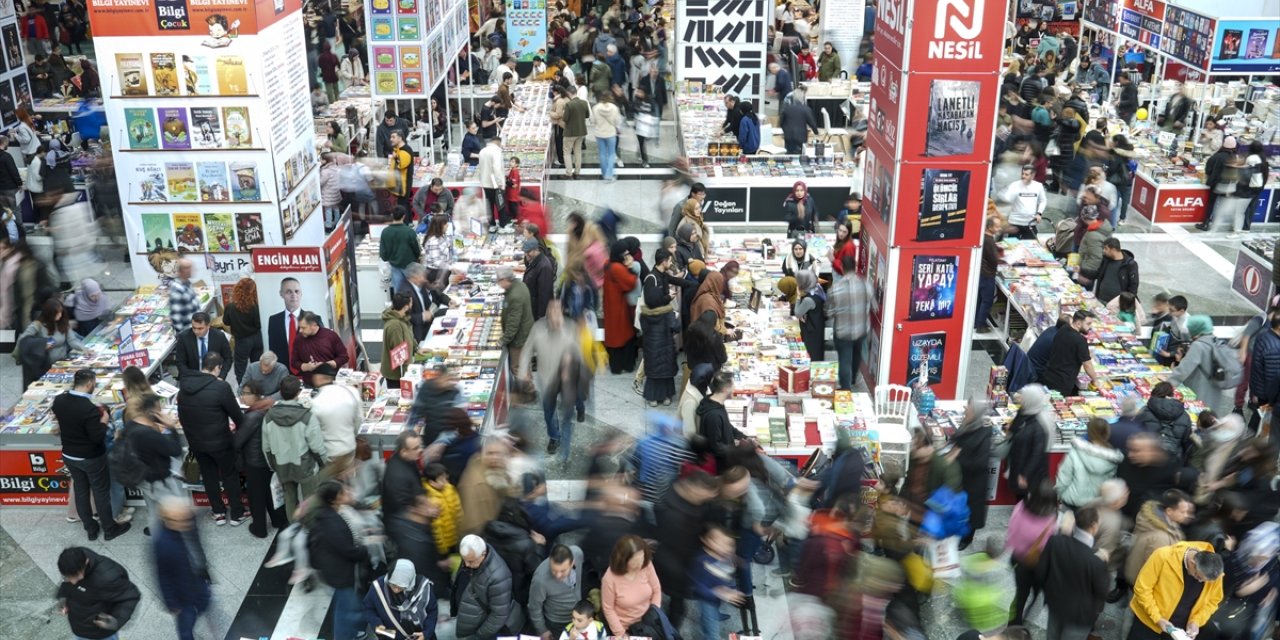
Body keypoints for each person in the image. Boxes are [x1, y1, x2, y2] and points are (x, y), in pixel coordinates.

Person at [53, 369, 130, 541]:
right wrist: (103, 421)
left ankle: (90, 528)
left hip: (69, 455)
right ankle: (110, 529)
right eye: (94, 384)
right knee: (101, 492)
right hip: (91, 457)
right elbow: (96, 437)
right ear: (89, 384)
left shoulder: (59, 400)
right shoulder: (89, 409)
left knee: (81, 490)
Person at [176, 353, 246, 526]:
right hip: (221, 442)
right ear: (218, 368)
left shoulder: (184, 388)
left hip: (197, 443)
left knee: (208, 476)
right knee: (230, 475)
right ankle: (237, 513)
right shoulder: (220, 388)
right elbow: (237, 416)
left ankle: (218, 512)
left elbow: (182, 416)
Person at [1036, 506, 1110, 640]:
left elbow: (1041, 573)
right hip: (1079, 617)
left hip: (1055, 606)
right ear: (1093, 526)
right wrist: (1103, 563)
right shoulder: (1095, 562)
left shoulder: (1054, 542)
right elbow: (1102, 591)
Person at [310, 481, 371, 640]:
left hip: (332, 570)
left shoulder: (325, 515)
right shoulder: (334, 523)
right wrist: (365, 550)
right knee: (346, 610)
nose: (347, 494)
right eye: (342, 493)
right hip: (339, 574)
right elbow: (348, 550)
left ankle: (354, 632)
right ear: (333, 500)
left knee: (347, 605)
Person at [262, 375, 328, 521]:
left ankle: (293, 527)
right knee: (310, 498)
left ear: (280, 391)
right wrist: (323, 462)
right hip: (304, 464)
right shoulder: (307, 416)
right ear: (298, 392)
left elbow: (266, 447)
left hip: (281, 463)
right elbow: (317, 446)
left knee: (289, 497)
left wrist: (273, 466)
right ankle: (310, 529)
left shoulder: (269, 417)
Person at [1129, 542, 1225, 640]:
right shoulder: (1163, 556)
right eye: (1198, 576)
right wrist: (1157, 618)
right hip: (1148, 622)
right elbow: (1142, 589)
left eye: (1205, 581)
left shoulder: (1214, 574)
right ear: (1192, 563)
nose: (1200, 581)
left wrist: (1196, 621)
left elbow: (1213, 601)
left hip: (1178, 631)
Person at [152, 498, 211, 640]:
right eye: (182, 520)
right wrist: (172, 603)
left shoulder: (188, 523)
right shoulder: (163, 544)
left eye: (187, 518)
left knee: (205, 601)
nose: (187, 523)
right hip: (183, 594)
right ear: (167, 521)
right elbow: (163, 576)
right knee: (186, 626)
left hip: (199, 578)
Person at [235, 382, 286, 538]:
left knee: (256, 496)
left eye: (245, 393)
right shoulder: (268, 407)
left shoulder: (253, 416)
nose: (242, 396)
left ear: (256, 395)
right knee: (271, 492)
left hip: (255, 461)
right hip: (270, 459)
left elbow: (237, 441)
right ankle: (279, 520)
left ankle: (259, 528)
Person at [56, 546, 141, 640]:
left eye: (76, 576)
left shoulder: (109, 578)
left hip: (100, 633)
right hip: (79, 628)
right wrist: (63, 598)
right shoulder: (72, 563)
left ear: (86, 562)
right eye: (68, 577)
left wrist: (115, 621)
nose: (73, 582)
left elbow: (130, 597)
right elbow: (65, 584)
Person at [1005, 479, 1059, 625]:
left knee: (1020, 594)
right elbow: (1048, 548)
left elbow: (1011, 532)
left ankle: (1014, 622)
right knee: (1038, 593)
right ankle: (1032, 610)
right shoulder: (1050, 522)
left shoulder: (1020, 507)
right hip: (1038, 565)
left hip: (1018, 559)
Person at [639, 248, 684, 406]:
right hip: (663, 336)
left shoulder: (657, 276)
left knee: (654, 365)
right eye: (670, 260)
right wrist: (668, 298)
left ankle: (653, 397)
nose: (671, 263)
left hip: (653, 336)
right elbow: (675, 326)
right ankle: (665, 395)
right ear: (664, 261)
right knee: (665, 365)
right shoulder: (653, 280)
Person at [456, 533, 524, 637]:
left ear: (483, 554)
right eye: (464, 559)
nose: (466, 565)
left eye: (470, 561)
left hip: (483, 630)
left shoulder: (498, 576)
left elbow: (498, 615)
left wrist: (478, 636)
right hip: (471, 621)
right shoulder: (473, 557)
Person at [1126, 489, 1194, 590]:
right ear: (1169, 511)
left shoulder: (1165, 522)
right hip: (1143, 585)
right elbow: (1156, 570)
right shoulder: (1160, 539)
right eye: (1182, 512)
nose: (1186, 515)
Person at [601, 534, 663, 637]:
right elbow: (608, 609)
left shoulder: (646, 565)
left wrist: (654, 614)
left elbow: (656, 589)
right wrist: (621, 633)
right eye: (635, 561)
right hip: (626, 627)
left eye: (642, 558)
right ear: (623, 560)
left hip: (649, 622)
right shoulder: (610, 578)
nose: (640, 564)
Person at [951, 398, 994, 549]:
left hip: (975, 482)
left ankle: (967, 539)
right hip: (962, 477)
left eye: (968, 408)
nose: (965, 410)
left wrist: (958, 457)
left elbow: (981, 462)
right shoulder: (968, 424)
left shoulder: (984, 433)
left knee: (972, 512)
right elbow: (956, 439)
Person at [691, 523, 745, 640]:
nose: (726, 548)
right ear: (707, 541)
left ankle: (716, 615)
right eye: (721, 543)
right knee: (712, 632)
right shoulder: (701, 561)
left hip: (718, 596)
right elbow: (696, 586)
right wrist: (716, 592)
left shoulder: (727, 556)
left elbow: (728, 575)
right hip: (706, 599)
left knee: (715, 608)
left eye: (730, 545)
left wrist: (733, 589)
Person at [1056, 417, 1123, 510]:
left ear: (1089, 432)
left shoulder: (1075, 452)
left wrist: (1058, 495)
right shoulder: (1113, 458)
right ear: (1107, 433)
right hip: (1096, 506)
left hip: (1072, 501)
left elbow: (1063, 480)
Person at [1168, 315, 1230, 415]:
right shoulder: (1217, 342)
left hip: (1199, 391)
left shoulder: (1198, 346)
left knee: (1196, 418)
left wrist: (1168, 384)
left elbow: (1183, 370)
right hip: (1214, 392)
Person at [363, 559, 438, 640]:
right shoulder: (378, 588)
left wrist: (426, 633)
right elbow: (368, 608)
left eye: (401, 587)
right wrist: (377, 624)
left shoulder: (424, 588)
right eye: (393, 585)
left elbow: (432, 612)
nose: (396, 590)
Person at [18, 297, 84, 387]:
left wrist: (84, 349)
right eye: (57, 314)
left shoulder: (63, 323)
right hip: (45, 366)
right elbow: (23, 340)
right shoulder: (38, 325)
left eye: (61, 312)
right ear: (49, 314)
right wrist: (42, 344)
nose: (60, 316)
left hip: (62, 363)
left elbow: (72, 340)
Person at [310, 362, 361, 470]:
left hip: (330, 454)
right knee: (349, 480)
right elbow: (359, 420)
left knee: (333, 485)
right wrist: (352, 436)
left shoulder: (315, 404)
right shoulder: (351, 391)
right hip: (350, 447)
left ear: (318, 378)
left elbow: (314, 435)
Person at [1038, 310, 1102, 396]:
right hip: (1062, 383)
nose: (1090, 327)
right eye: (1088, 324)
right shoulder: (1080, 341)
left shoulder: (1063, 329)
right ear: (1078, 323)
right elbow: (1087, 365)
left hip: (1049, 375)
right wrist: (1095, 379)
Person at [529, 544, 586, 640]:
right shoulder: (540, 580)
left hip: (578, 614)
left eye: (563, 571)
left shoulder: (577, 553)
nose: (558, 575)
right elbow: (534, 607)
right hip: (557, 622)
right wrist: (542, 630)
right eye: (554, 570)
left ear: (572, 563)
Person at [602, 241, 640, 373]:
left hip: (611, 306)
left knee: (613, 338)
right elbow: (630, 282)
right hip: (619, 308)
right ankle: (626, 365)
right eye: (624, 253)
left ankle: (616, 367)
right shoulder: (617, 267)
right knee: (624, 337)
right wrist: (632, 269)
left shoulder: (608, 264)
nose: (627, 255)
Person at [697, 371, 748, 466]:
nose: (734, 389)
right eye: (732, 386)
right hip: (722, 464)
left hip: (727, 455)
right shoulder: (714, 415)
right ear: (725, 389)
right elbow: (716, 447)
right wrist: (737, 450)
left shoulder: (715, 403)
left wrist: (743, 437)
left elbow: (726, 425)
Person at [218, 278, 262, 382]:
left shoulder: (231, 307)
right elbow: (259, 324)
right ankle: (258, 389)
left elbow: (226, 322)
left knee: (240, 369)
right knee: (257, 366)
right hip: (257, 338)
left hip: (242, 341)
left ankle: (243, 391)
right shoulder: (256, 306)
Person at [494, 264, 534, 373]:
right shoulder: (519, 285)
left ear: (505, 279)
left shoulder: (515, 296)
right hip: (525, 332)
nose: (498, 283)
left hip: (519, 339)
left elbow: (513, 323)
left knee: (518, 368)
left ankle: (527, 390)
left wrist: (503, 340)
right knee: (524, 366)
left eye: (499, 281)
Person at [292, 312, 349, 386]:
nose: (300, 331)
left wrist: (326, 365)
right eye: (299, 327)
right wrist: (307, 367)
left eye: (303, 328)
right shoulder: (298, 340)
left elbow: (344, 357)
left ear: (314, 325)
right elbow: (294, 362)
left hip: (330, 383)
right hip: (308, 384)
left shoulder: (330, 336)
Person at [174, 311, 231, 379]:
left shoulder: (219, 336)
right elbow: (180, 362)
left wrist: (221, 376)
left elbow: (228, 358)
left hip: (214, 378)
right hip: (192, 377)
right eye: (194, 328)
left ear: (208, 326)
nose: (196, 331)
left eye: (200, 328)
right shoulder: (184, 338)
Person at [267, 278, 307, 373]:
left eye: (297, 291)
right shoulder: (274, 321)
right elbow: (273, 351)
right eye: (289, 292)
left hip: (308, 374)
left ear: (301, 293)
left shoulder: (314, 319)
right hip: (283, 375)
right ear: (281, 294)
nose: (294, 295)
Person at [1197, 136, 1237, 231]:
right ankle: (1219, 224)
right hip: (1228, 185)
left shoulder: (1217, 156)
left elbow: (1208, 169)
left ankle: (1206, 223)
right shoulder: (1234, 157)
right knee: (1223, 205)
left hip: (1215, 183)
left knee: (1211, 203)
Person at [379, 206, 421, 295]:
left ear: (392, 215)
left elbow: (383, 254)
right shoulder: (409, 232)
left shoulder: (385, 232)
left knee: (398, 291)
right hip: (410, 266)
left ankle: (400, 307)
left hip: (394, 266)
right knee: (412, 290)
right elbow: (417, 250)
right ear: (404, 216)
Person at [1001, 165, 1048, 239]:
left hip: (1030, 223)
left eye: (1026, 174)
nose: (1023, 176)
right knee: (1013, 247)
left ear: (1033, 175)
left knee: (1031, 246)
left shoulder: (1038, 186)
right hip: (1015, 223)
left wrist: (1039, 213)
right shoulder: (1015, 185)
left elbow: (1043, 201)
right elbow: (1006, 199)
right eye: (1022, 174)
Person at [380, 293, 415, 386]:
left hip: (400, 371)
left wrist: (417, 348)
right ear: (406, 307)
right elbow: (400, 354)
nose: (412, 306)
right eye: (411, 304)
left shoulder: (401, 318)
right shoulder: (395, 326)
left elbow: (408, 335)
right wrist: (408, 375)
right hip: (396, 376)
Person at [794, 269, 826, 360]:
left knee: (811, 356)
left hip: (811, 333)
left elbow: (797, 312)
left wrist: (798, 296)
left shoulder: (809, 300)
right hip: (818, 328)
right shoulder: (817, 289)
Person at [477, 135, 506, 231]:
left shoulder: (482, 151)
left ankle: (492, 224)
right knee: (500, 204)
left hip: (485, 183)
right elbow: (497, 168)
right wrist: (500, 182)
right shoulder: (496, 152)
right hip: (495, 184)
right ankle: (502, 225)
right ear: (498, 142)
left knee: (490, 204)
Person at [523, 238, 556, 321]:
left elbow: (544, 296)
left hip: (537, 313)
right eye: (525, 252)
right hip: (532, 308)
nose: (526, 255)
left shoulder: (544, 267)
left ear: (536, 250)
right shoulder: (535, 261)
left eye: (528, 252)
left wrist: (541, 318)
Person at [593, 94, 624, 182]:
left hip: (599, 133)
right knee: (611, 154)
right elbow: (618, 121)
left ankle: (604, 173)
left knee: (602, 153)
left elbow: (593, 120)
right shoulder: (614, 108)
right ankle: (609, 175)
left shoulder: (595, 108)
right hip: (611, 133)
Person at [562, 88, 590, 179]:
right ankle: (577, 172)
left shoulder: (569, 105)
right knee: (578, 151)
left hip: (570, 132)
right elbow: (587, 115)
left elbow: (565, 118)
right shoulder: (584, 103)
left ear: (569, 93)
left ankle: (569, 173)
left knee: (567, 152)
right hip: (581, 131)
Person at [167, 258, 199, 335]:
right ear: (182, 271)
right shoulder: (177, 289)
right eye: (189, 267)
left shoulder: (187, 283)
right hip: (189, 332)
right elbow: (176, 316)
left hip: (195, 330)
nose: (192, 270)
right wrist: (185, 337)